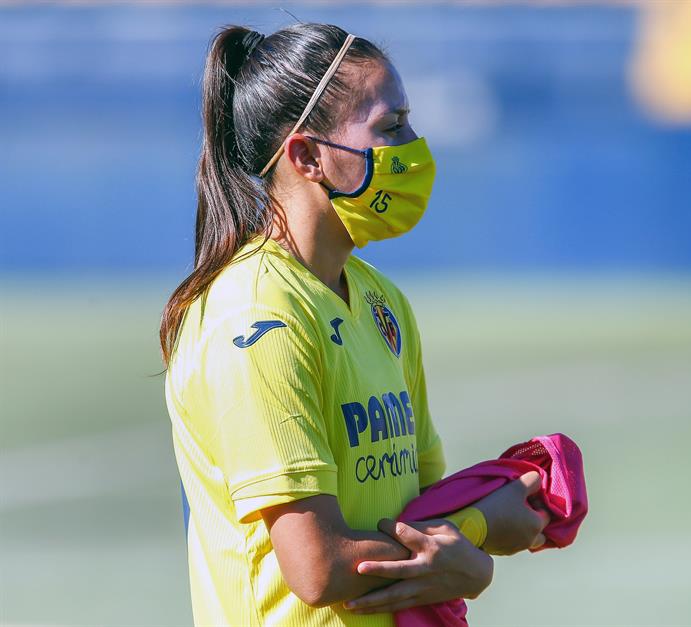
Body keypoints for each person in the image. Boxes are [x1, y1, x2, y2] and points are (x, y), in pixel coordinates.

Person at [159, 22, 550, 626]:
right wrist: (474, 538)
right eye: (391, 127)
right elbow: (318, 568)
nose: (415, 146)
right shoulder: (258, 319)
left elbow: (418, 508)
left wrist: (498, 500)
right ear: (307, 155)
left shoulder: (381, 301)